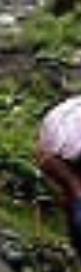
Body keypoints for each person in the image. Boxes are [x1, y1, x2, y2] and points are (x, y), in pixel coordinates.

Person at [35, 96, 81, 261]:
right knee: (75, 195)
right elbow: (48, 158)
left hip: (56, 151)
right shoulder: (69, 128)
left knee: (73, 197)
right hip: (57, 154)